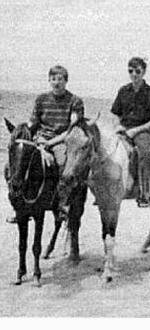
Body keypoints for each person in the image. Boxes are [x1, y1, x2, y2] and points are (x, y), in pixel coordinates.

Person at [6, 65, 85, 223]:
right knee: (12, 166)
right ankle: (18, 204)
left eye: (60, 79)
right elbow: (33, 122)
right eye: (54, 79)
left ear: (66, 81)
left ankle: (62, 205)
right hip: (40, 139)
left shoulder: (75, 101)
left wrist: (50, 143)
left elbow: (70, 130)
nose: (57, 83)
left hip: (60, 140)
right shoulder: (41, 99)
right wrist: (24, 134)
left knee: (63, 165)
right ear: (49, 80)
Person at [110, 57, 150, 207]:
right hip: (124, 129)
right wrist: (117, 126)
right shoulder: (123, 91)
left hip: (142, 131)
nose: (134, 74)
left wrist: (136, 130)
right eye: (130, 71)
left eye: (137, 71)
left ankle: (144, 192)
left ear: (144, 72)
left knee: (144, 153)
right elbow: (115, 113)